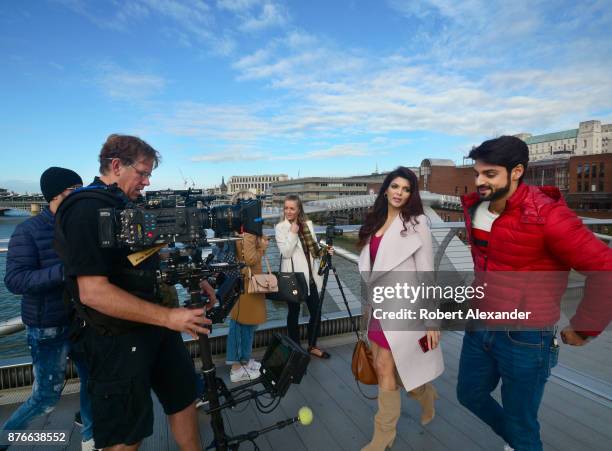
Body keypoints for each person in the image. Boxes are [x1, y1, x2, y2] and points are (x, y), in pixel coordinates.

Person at [54, 135, 213, 451]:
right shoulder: (85, 210)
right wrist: (170, 316)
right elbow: (92, 292)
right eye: (142, 173)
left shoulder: (125, 206)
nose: (147, 181)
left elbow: (138, 261)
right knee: (126, 432)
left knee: (183, 399)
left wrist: (192, 276)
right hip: (115, 339)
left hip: (155, 328)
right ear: (116, 166)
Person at [456, 136, 612, 451]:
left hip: (525, 336)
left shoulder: (549, 215)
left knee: (521, 422)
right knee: (469, 394)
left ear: (516, 172)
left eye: (489, 174)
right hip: (481, 323)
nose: (479, 182)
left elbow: (604, 268)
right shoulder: (476, 208)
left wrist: (583, 327)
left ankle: (522, 443)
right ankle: (519, 442)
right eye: (477, 173)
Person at [0, 167, 96, 451]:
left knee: (92, 380)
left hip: (83, 319)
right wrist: (65, 271)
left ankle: (91, 437)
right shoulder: (26, 231)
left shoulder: (80, 226)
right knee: (46, 397)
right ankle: (6, 439)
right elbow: (15, 281)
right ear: (57, 195)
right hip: (47, 326)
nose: (80, 197)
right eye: (74, 191)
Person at [357, 167, 444, 451]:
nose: (399, 193)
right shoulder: (375, 220)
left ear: (411, 194)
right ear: (385, 189)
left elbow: (427, 272)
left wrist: (432, 321)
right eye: (395, 186)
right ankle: (425, 393)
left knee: (388, 366)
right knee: (386, 366)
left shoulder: (417, 223)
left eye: (406, 189)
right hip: (377, 306)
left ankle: (383, 436)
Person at [275, 194, 333, 359]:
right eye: (286, 208)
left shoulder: (307, 225)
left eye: (292, 208)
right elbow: (285, 253)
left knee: (316, 312)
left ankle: (312, 345)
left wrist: (325, 250)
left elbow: (314, 250)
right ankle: (296, 348)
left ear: (299, 209)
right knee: (293, 314)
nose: (288, 211)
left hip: (311, 277)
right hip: (294, 278)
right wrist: (293, 233)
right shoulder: (280, 227)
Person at [223, 190, 269, 382]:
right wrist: (263, 247)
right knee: (242, 324)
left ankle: (244, 360)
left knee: (245, 323)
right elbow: (250, 258)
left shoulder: (237, 229)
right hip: (249, 282)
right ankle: (236, 367)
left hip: (242, 281)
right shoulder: (248, 232)